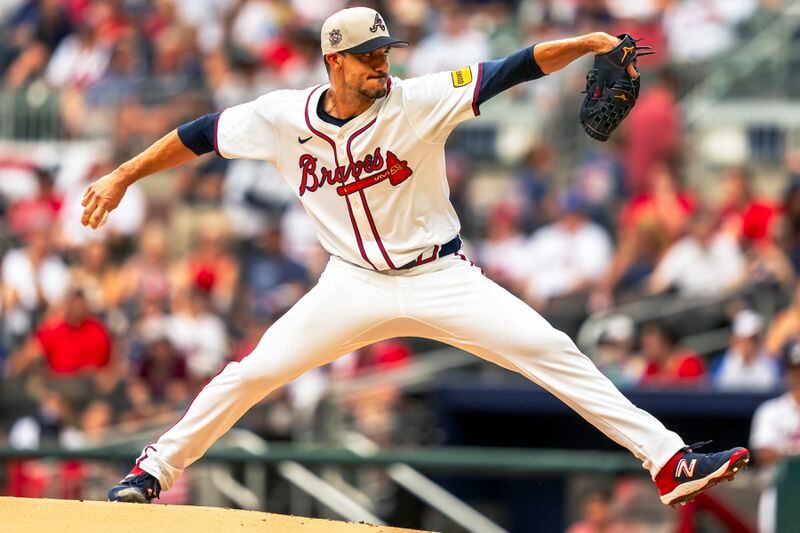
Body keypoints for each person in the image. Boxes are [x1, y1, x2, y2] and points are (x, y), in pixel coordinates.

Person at [79, 7, 749, 508]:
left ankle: (669, 460)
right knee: (254, 372)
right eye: (369, 56)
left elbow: (513, 67)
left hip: (440, 275)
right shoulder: (282, 117)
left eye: (385, 52)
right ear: (334, 62)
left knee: (553, 350)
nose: (383, 64)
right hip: (350, 285)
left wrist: (585, 45)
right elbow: (198, 135)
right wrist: (122, 176)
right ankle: (152, 470)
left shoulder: (420, 98)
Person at [749, 341, 800, 533]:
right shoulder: (771, 411)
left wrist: (784, 453)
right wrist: (793, 456)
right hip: (779, 492)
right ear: (789, 372)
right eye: (796, 369)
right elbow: (762, 452)